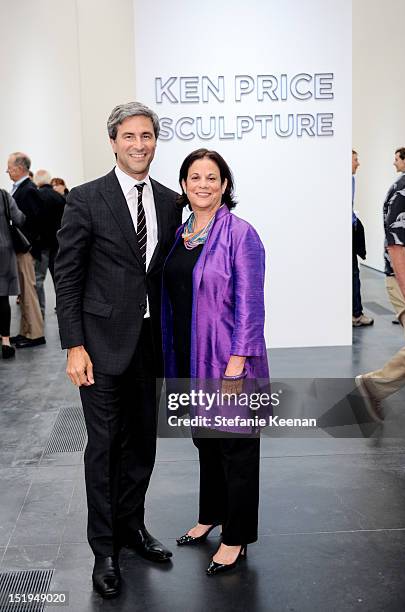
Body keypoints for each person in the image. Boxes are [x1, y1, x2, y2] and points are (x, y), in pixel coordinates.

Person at [55, 101, 181, 599]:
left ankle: (132, 528)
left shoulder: (171, 202)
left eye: (146, 135)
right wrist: (73, 345)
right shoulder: (86, 199)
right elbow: (67, 278)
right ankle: (104, 551)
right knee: (105, 450)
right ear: (113, 141)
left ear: (155, 140)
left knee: (142, 448)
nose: (138, 144)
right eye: (128, 136)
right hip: (100, 347)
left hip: (151, 346)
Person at [162, 149, 269, 576]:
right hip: (189, 356)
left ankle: (236, 536)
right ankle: (211, 515)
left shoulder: (241, 234)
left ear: (225, 185)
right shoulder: (179, 233)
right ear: (184, 185)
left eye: (212, 177)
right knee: (206, 441)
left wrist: (238, 360)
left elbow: (251, 305)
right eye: (194, 177)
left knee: (236, 447)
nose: (202, 184)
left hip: (228, 360)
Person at [356, 147, 405, 420]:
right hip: (402, 278)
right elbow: (396, 244)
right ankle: (373, 385)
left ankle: (373, 385)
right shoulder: (403, 188)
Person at [7, 152, 45, 348]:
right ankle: (25, 331)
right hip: (23, 248)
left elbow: (34, 221)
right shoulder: (23, 188)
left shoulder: (27, 190)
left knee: (28, 292)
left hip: (26, 250)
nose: (7, 172)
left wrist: (27, 244)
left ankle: (35, 334)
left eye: (10, 168)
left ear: (20, 169)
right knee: (24, 292)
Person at [33, 169, 65, 317]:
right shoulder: (59, 197)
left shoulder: (37, 196)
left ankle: (40, 311)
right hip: (58, 243)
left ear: (38, 181)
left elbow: (36, 221)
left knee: (38, 279)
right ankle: (62, 307)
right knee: (59, 277)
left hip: (43, 244)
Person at [0, 189, 25, 358]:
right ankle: (6, 341)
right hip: (3, 251)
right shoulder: (3, 195)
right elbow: (19, 218)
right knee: (2, 298)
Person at [352, 150, 374, 327]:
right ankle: (356, 313)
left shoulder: (350, 180)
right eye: (355, 160)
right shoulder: (347, 180)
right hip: (347, 234)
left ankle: (356, 312)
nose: (358, 164)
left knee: (354, 273)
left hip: (350, 233)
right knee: (353, 273)